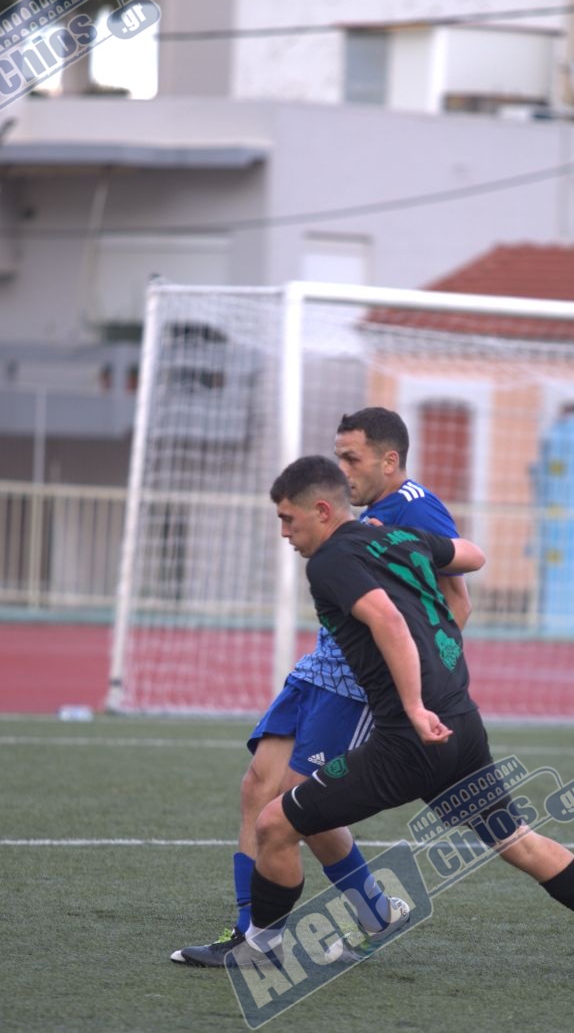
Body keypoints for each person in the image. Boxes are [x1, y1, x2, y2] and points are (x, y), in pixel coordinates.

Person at [239, 455, 574, 976]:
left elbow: (389, 621)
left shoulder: (328, 563)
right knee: (518, 841)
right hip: (463, 727)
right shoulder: (402, 538)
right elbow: (472, 554)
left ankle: (259, 947)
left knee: (275, 822)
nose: (284, 532)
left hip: (408, 743)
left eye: (288, 519)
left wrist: (414, 709)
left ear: (323, 511)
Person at [171, 408, 465, 967]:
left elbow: (456, 596)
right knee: (258, 787)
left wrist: (427, 678)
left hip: (353, 683)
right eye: (339, 458)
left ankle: (313, 927)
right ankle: (253, 931)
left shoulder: (413, 506)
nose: (343, 468)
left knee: (297, 806)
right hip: (318, 667)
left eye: (352, 457)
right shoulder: (364, 517)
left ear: (388, 460)